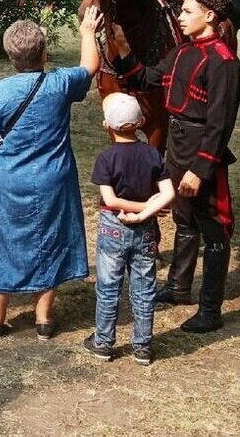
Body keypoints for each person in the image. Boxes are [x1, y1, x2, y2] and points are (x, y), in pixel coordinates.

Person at [111, 0, 240, 333]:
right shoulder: (184, 52)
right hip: (179, 144)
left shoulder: (225, 63)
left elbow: (220, 125)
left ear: (210, 15)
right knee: (184, 219)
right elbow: (144, 78)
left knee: (213, 229)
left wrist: (199, 170)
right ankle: (178, 287)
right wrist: (124, 49)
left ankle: (211, 310)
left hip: (203, 153)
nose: (180, 17)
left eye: (187, 11)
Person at [0, 6, 102, 340]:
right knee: (50, 241)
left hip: (3, 181)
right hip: (51, 179)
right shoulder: (59, 84)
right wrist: (87, 31)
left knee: (0, 241)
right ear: (45, 53)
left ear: (11, 57)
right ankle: (43, 319)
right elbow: (91, 67)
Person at [84, 93, 175, 365]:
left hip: (113, 226)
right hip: (145, 229)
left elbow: (110, 200)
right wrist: (146, 210)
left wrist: (132, 211)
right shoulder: (152, 155)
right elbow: (168, 193)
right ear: (142, 122)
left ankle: (103, 343)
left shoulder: (106, 159)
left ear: (106, 126)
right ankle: (143, 347)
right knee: (145, 289)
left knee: (109, 287)